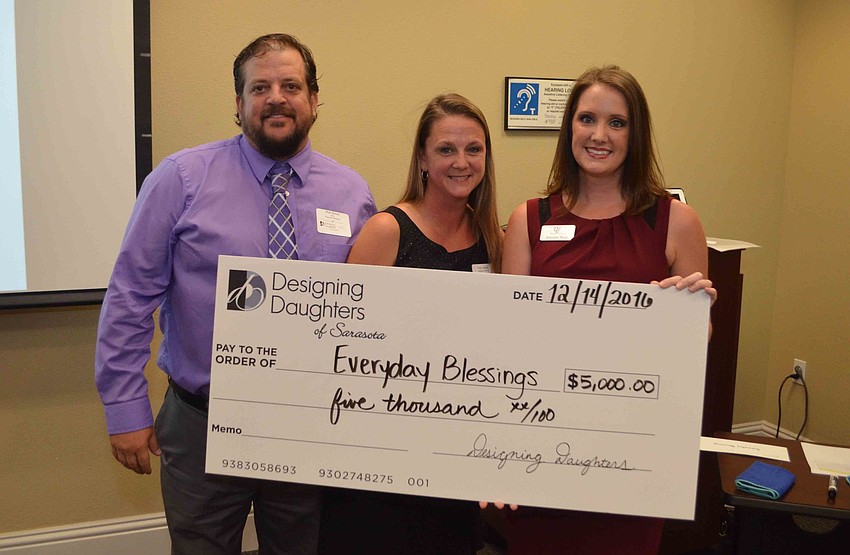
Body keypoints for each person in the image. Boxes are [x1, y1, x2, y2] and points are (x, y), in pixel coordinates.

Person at [95, 33, 376, 555]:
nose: (276, 97)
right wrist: (125, 407)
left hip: (307, 422)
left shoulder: (353, 193)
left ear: (314, 100)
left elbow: (369, 309)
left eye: (291, 85)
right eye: (259, 87)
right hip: (201, 421)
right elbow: (131, 294)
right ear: (239, 104)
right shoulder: (180, 179)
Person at [501, 65, 716, 554]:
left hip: (632, 451)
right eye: (587, 119)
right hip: (542, 445)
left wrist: (693, 316)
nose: (600, 135)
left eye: (617, 123)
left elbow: (697, 342)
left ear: (635, 134)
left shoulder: (678, 222)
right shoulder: (528, 220)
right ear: (569, 128)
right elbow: (507, 346)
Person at [318, 93, 502, 554]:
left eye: (473, 149)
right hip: (380, 459)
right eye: (446, 150)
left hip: (455, 451)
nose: (461, 162)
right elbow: (343, 346)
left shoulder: (493, 240)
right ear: (422, 158)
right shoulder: (388, 230)